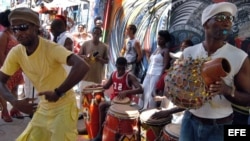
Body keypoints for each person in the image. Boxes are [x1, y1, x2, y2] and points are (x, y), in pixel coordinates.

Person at [0, 7, 89, 141]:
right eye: (15, 29)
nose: (18, 33)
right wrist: (15, 102)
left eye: (23, 27)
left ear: (36, 27)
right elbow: (1, 80)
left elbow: (82, 66)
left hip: (63, 108)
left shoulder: (51, 48)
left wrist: (58, 92)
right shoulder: (16, 52)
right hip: (43, 108)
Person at [176, 2, 250, 141]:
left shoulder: (240, 57)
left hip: (219, 128)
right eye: (220, 18)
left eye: (230, 19)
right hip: (189, 121)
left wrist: (228, 91)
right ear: (205, 24)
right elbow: (177, 87)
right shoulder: (188, 52)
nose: (227, 22)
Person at [92, 57, 143, 141]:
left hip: (126, 103)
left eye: (122, 68)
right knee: (101, 105)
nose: (120, 70)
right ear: (116, 66)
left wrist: (126, 92)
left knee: (103, 106)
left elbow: (141, 89)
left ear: (125, 67)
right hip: (114, 101)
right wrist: (98, 85)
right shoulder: (113, 74)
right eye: (118, 68)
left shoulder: (129, 76)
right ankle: (100, 134)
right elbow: (106, 86)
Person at [0, 9, 24, 122]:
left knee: (15, 88)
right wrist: (6, 68)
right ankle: (5, 111)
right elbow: (1, 53)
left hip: (17, 68)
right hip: (7, 67)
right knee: (4, 90)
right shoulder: (4, 35)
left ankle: (15, 109)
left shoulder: (14, 33)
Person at [138, 30, 171, 110]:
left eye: (161, 39)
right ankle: (142, 108)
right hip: (149, 73)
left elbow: (165, 64)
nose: (159, 40)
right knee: (144, 91)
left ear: (165, 40)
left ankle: (150, 111)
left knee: (152, 93)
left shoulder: (166, 50)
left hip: (157, 74)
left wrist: (160, 76)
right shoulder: (157, 49)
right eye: (158, 38)